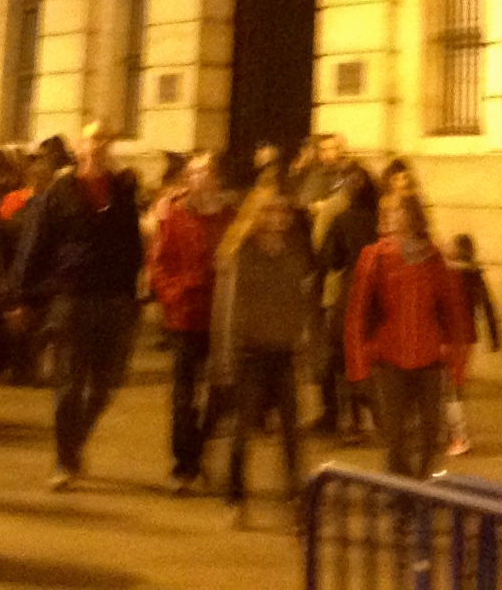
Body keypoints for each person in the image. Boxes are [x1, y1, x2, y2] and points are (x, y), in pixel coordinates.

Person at [13, 119, 143, 490]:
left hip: (114, 298)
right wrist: (21, 296)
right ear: (80, 147)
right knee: (68, 381)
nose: (98, 145)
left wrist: (133, 290)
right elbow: (35, 244)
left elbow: (133, 244)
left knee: (106, 383)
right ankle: (64, 459)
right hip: (70, 295)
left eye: (105, 138)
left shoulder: (122, 191)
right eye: (92, 139)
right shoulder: (61, 191)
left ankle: (75, 442)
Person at [343, 185, 468, 485]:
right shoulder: (375, 257)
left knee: (430, 434)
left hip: (429, 356)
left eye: (397, 209)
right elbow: (358, 312)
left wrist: (456, 357)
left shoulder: (434, 257)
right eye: (387, 210)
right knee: (394, 436)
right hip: (388, 357)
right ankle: (400, 492)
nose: (390, 215)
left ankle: (420, 488)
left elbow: (452, 308)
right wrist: (358, 362)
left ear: (413, 215)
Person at [210, 183, 318, 528]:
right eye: (271, 210)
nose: (278, 217)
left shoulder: (295, 251)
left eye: (283, 211)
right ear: (257, 214)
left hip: (283, 352)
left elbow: (302, 303)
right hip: (249, 353)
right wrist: (224, 359)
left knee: (291, 431)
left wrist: (306, 348)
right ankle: (235, 497)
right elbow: (227, 310)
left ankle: (295, 500)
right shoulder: (241, 252)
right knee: (243, 430)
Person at [148, 152, 233, 491]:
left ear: (217, 179)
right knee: (183, 395)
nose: (199, 179)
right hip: (185, 316)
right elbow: (159, 264)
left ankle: (197, 450)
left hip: (222, 318)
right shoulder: (175, 218)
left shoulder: (232, 219)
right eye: (193, 173)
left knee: (221, 393)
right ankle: (183, 466)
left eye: (205, 172)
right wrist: (174, 295)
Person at [311, 160, 378, 437]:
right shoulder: (380, 218)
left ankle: (348, 419)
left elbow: (329, 258)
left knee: (339, 356)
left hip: (350, 292)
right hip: (379, 295)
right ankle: (375, 416)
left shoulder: (342, 219)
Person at [444, 232, 498, 458]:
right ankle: (454, 434)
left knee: (449, 388)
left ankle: (459, 436)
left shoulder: (450, 274)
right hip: (467, 336)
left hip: (449, 337)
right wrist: (494, 335)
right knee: (454, 385)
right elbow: (487, 306)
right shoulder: (474, 273)